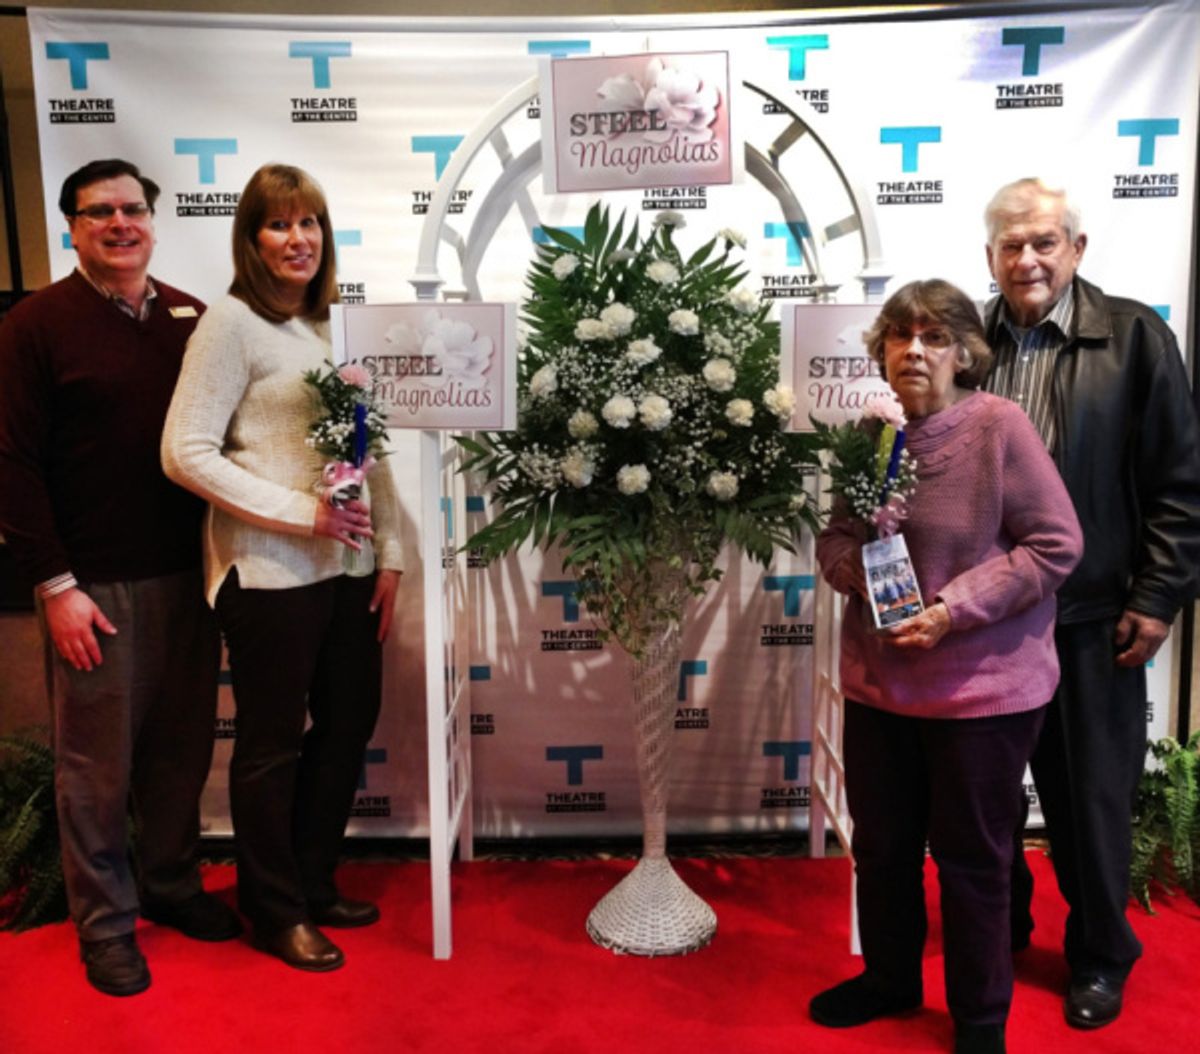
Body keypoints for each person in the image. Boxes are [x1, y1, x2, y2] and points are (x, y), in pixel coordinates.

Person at [810, 280, 1083, 1054]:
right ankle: (891, 981)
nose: (914, 351)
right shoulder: (871, 435)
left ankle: (980, 1020)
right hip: (880, 687)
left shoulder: (1001, 427)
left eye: (932, 337)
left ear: (964, 353)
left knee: (972, 860)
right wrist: (867, 581)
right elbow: (834, 541)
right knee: (883, 849)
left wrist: (951, 609)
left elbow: (1055, 544)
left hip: (981, 697)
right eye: (899, 337)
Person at [0, 159, 241, 997]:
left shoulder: (191, 319)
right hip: (92, 589)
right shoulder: (35, 325)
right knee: (95, 771)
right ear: (71, 225)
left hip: (191, 574)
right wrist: (55, 586)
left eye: (133, 209)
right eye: (98, 212)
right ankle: (104, 925)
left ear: (152, 219)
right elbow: (12, 465)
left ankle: (172, 887)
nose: (119, 223)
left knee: (178, 757)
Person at [161, 162, 403, 972]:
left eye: (310, 224)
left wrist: (389, 555)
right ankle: (273, 909)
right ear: (252, 238)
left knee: (346, 728)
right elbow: (184, 453)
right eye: (278, 224)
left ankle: (313, 879)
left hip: (349, 570)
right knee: (271, 745)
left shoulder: (338, 328)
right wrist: (305, 514)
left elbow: (371, 452)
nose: (297, 239)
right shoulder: (229, 324)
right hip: (268, 573)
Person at [982, 177, 1200, 1028]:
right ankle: (999, 928)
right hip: (988, 623)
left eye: (1044, 241)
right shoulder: (967, 341)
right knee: (986, 796)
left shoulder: (1136, 338)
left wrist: (1157, 596)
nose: (1028, 259)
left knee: (1093, 806)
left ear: (1077, 249)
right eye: (1011, 245)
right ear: (990, 257)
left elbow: (1179, 482)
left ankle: (1102, 955)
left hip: (1092, 619)